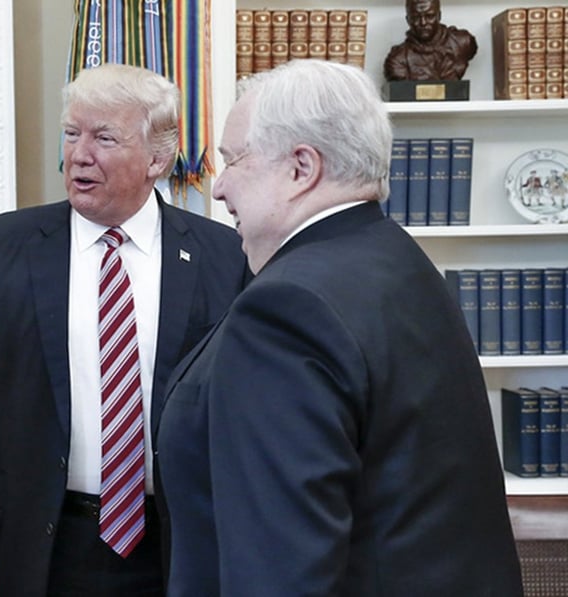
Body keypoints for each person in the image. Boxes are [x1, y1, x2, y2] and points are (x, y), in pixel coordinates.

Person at [157, 59, 523, 596]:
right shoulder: (395, 257)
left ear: (302, 168)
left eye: (233, 160)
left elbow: (281, 570)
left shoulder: (287, 308)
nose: (219, 187)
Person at [0, 63, 249, 597]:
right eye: (72, 133)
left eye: (104, 137)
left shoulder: (225, 256)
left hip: (177, 547)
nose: (79, 154)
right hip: (39, 547)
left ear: (157, 158)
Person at [384, 0, 478, 81]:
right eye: (416, 17)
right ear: (408, 20)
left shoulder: (462, 42)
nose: (423, 23)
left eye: (429, 16)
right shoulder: (397, 60)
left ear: (439, 16)